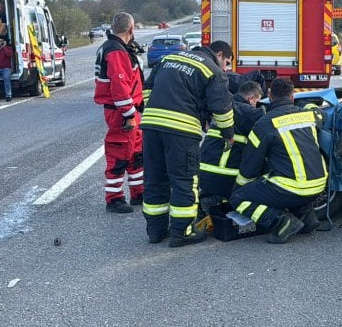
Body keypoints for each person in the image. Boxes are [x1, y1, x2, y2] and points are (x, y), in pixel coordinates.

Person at [140, 40, 235, 247]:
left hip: (151, 125)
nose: (226, 69)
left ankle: (155, 231)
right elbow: (222, 108)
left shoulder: (169, 58)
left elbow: (147, 88)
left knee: (155, 178)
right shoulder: (213, 71)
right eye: (227, 63)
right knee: (185, 180)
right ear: (219, 55)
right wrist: (228, 134)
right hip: (181, 130)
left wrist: (154, 112)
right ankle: (182, 232)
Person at [228, 77, 326, 244]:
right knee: (287, 182)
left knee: (238, 198)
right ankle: (307, 217)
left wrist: (240, 187)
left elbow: (251, 165)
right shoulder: (310, 115)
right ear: (293, 96)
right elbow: (320, 113)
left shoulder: (263, 124)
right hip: (319, 184)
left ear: (269, 95)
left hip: (293, 187)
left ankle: (281, 221)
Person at [93, 13, 146, 214]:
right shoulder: (116, 51)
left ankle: (138, 192)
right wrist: (129, 115)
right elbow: (119, 87)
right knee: (119, 153)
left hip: (129, 111)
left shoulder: (116, 48)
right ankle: (114, 198)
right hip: (122, 113)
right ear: (131, 29)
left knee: (135, 154)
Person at [198, 80, 265, 209]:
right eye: (256, 101)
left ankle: (211, 202)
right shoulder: (248, 112)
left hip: (204, 174)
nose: (256, 105)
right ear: (251, 98)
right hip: (225, 176)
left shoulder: (224, 106)